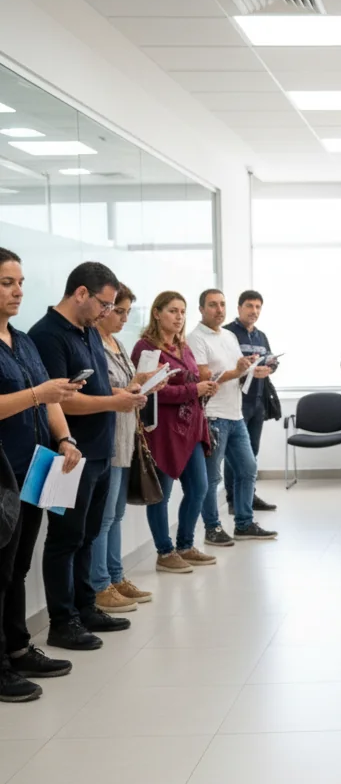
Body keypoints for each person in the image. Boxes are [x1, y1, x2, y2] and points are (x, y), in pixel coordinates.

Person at [29, 263, 147, 651]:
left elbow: (95, 388)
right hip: (68, 454)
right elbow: (60, 402)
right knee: (65, 540)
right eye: (105, 304)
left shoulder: (88, 333)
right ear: (81, 293)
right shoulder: (47, 336)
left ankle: (85, 604)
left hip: (98, 452)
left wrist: (125, 395)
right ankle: (63, 622)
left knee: (87, 535)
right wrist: (114, 402)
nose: (107, 313)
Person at [0, 247, 81, 702]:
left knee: (16, 567)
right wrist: (36, 393)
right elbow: (35, 394)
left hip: (33, 471)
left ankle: (16, 647)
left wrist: (65, 438)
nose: (17, 291)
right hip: (2, 475)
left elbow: (50, 399)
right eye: (7, 282)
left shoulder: (23, 340)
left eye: (20, 282)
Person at [132, 292, 218, 574]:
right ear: (156, 313)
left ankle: (185, 545)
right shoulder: (146, 349)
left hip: (191, 427)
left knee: (199, 488)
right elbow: (150, 390)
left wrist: (205, 387)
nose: (179, 317)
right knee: (162, 494)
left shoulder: (184, 345)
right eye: (172, 311)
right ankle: (164, 552)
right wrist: (194, 390)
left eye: (182, 311)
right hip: (162, 430)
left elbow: (193, 378)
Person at [187, 289, 277, 545]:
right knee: (212, 478)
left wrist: (250, 369)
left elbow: (237, 370)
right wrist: (236, 371)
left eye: (222, 304)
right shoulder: (196, 338)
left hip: (235, 413)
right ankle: (212, 528)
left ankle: (244, 524)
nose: (219, 309)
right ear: (202, 309)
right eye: (213, 305)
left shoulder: (228, 336)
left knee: (248, 468)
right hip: (213, 415)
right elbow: (204, 376)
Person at [90, 283, 157, 611]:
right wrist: (131, 387)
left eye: (127, 311)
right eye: (118, 310)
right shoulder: (93, 344)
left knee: (115, 515)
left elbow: (123, 387)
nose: (122, 317)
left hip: (126, 436)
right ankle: (100, 584)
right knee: (103, 518)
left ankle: (115, 576)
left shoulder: (116, 343)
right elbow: (104, 391)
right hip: (109, 438)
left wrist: (143, 381)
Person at [224, 289, 277, 513]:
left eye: (257, 307)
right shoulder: (227, 334)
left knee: (251, 453)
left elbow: (270, 359)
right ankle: (233, 500)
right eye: (249, 306)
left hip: (257, 401)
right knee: (234, 455)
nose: (254, 311)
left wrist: (270, 367)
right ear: (239, 308)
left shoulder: (261, 335)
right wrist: (247, 371)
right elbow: (225, 366)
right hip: (236, 402)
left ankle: (249, 497)